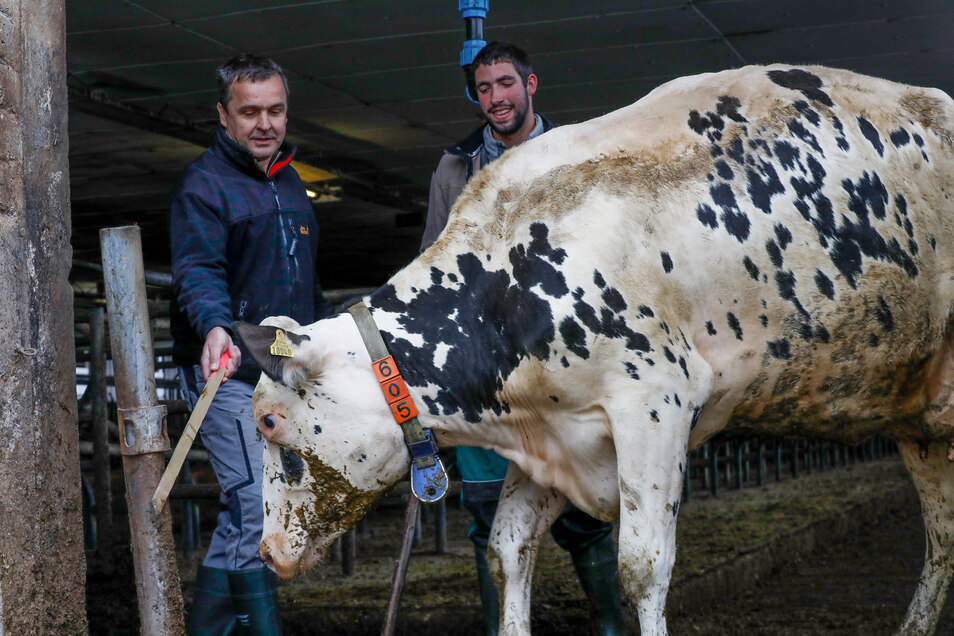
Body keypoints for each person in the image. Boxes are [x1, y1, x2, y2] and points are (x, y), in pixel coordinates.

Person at [421, 41, 626, 635]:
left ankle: (611, 625)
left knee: (583, 512)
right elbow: (432, 268)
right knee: (488, 513)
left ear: (531, 84)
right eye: (484, 89)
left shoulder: (577, 157)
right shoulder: (455, 167)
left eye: (505, 84)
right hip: (485, 371)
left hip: (563, 368)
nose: (496, 99)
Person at [169, 53, 334, 635]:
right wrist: (214, 325)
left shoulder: (290, 182)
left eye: (275, 110)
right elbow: (197, 270)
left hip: (283, 370)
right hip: (230, 373)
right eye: (249, 112)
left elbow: (304, 281)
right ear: (223, 115)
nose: (264, 123)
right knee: (257, 508)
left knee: (242, 517)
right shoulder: (204, 186)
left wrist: (327, 341)